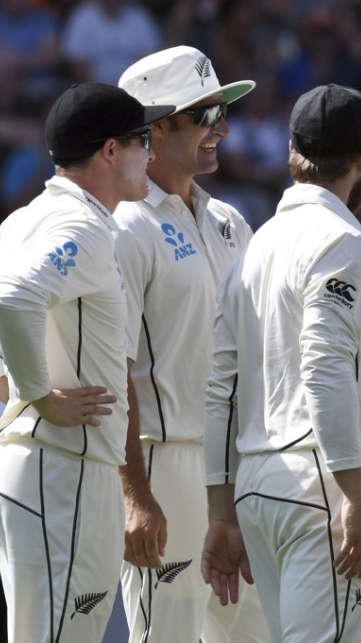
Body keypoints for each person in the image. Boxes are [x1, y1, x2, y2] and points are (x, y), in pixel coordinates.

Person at [203, 84, 361, 642]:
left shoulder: (254, 248)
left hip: (257, 484)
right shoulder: (343, 241)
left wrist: (222, 511)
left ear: (292, 151)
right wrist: (355, 495)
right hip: (322, 480)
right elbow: (323, 366)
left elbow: (221, 391)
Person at [0, 81, 172, 642]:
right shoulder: (84, 226)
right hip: (63, 466)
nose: (152, 154)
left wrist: (16, 385)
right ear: (110, 150)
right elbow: (13, 298)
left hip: (53, 466)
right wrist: (39, 395)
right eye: (144, 139)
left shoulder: (26, 219)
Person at [113, 46, 269, 643]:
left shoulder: (229, 218)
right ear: (154, 129)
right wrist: (136, 496)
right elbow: (114, 369)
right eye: (205, 115)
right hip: (164, 462)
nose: (221, 129)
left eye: (221, 112)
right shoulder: (125, 226)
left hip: (238, 467)